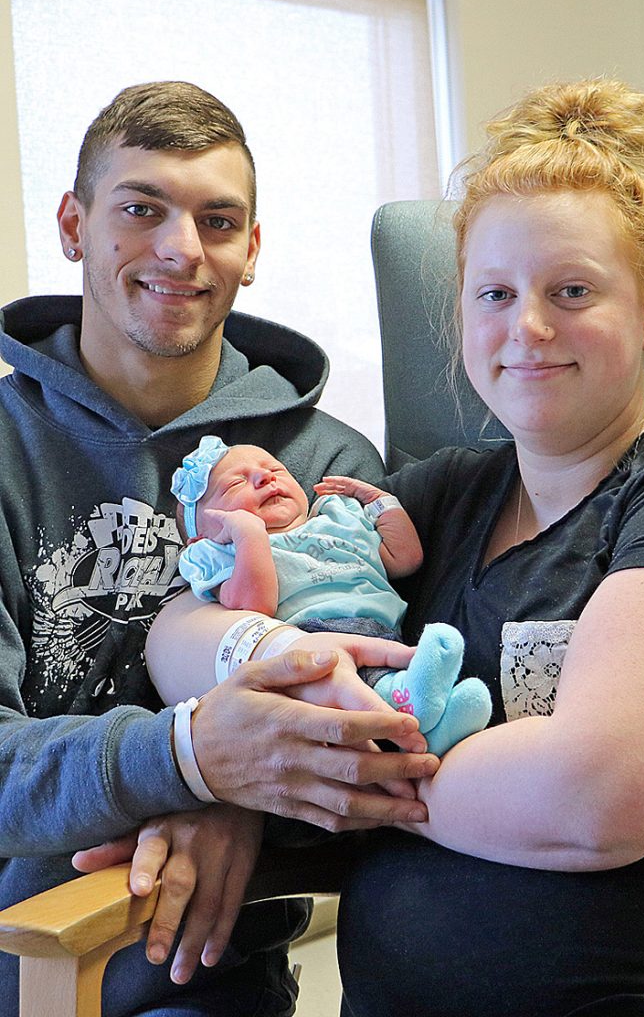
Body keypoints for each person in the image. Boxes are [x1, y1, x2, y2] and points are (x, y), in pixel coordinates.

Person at [0, 80, 442, 1017]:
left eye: (218, 218)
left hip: (208, 980)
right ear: (74, 225)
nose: (181, 248)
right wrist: (194, 760)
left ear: (251, 249)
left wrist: (239, 797)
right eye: (140, 209)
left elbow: (395, 732)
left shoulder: (324, 472)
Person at [331, 79, 644, 1016]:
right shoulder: (440, 493)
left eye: (573, 291)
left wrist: (345, 772)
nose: (529, 327)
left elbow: (596, 798)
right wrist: (249, 662)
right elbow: (189, 620)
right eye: (496, 293)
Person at [159, 435, 492, 756]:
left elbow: (405, 558)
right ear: (203, 534)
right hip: (312, 644)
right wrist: (249, 536)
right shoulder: (225, 552)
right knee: (358, 687)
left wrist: (378, 502)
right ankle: (406, 702)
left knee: (386, 679)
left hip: (385, 634)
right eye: (235, 484)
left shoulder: (337, 519)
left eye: (275, 470)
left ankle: (435, 725)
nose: (264, 478)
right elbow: (254, 607)